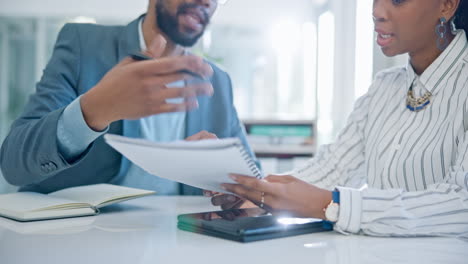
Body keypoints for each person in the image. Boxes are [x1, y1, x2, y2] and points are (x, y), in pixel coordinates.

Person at [213, 0, 468, 238]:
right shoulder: (384, 87)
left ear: (447, 5)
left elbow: (461, 204)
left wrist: (333, 205)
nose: (377, 11)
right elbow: (334, 168)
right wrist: (255, 191)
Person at [0, 0, 256, 195]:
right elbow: (13, 163)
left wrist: (230, 181)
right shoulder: (83, 46)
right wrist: (92, 111)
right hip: (80, 240)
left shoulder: (217, 82)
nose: (207, 1)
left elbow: (255, 181)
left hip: (180, 243)